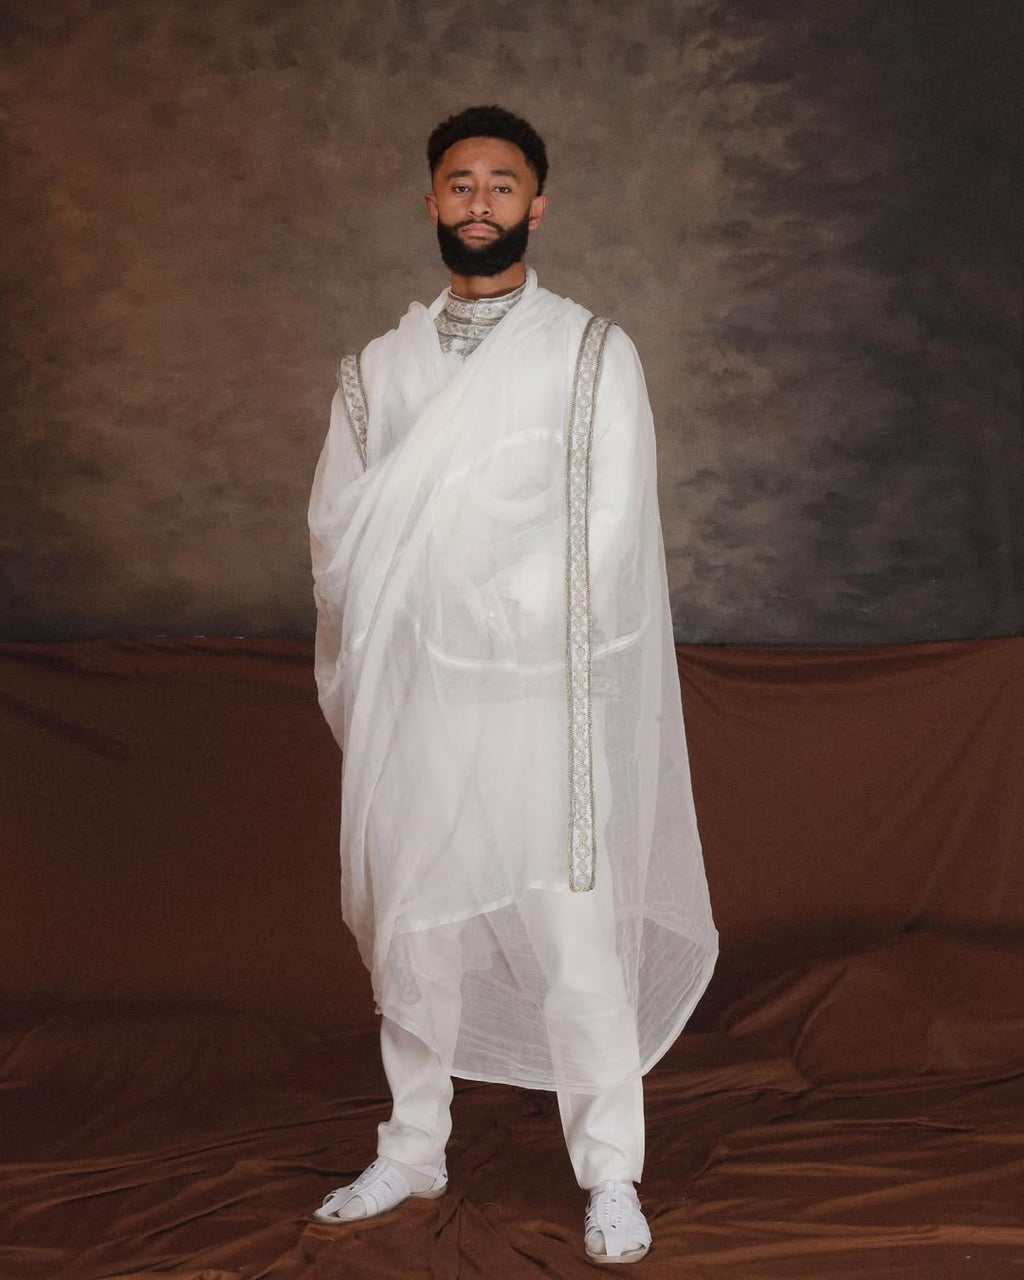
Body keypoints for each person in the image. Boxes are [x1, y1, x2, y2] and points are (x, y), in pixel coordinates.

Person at [308, 104, 717, 1265]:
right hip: (421, 693)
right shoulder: (376, 370)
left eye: (500, 184)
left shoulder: (591, 352)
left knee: (575, 937)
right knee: (416, 931)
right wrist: (422, 608)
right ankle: (413, 1144)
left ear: (536, 205)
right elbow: (338, 528)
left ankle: (610, 1174)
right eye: (457, 183)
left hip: (541, 694)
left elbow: (608, 522)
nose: (477, 201)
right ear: (430, 202)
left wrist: (488, 605)